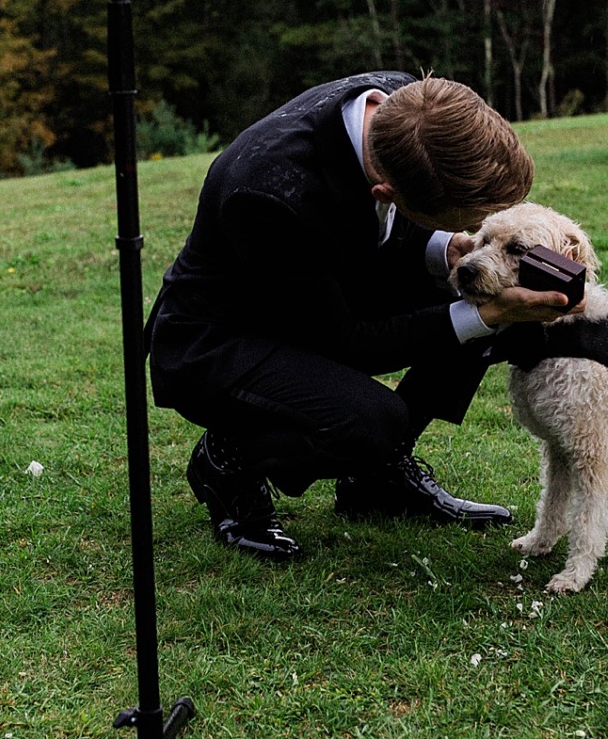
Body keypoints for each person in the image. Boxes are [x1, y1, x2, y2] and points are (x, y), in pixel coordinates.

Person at [146, 74, 573, 559]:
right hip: (220, 340)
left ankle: (375, 480)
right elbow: (345, 342)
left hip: (318, 287)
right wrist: (489, 314)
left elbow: (380, 238)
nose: (478, 228)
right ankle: (228, 458)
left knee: (480, 299)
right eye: (470, 220)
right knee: (373, 420)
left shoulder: (410, 108)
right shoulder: (267, 192)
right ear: (387, 193)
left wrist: (450, 248)